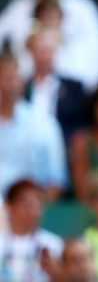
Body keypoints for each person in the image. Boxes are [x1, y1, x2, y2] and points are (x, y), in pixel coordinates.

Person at [0, 51, 68, 200]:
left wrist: (30, 208)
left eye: (13, 76)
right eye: (4, 76)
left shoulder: (44, 123)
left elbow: (56, 182)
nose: (9, 83)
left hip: (29, 211)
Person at [24, 26, 86, 148]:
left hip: (64, 148)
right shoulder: (22, 88)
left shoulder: (73, 88)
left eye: (49, 50)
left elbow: (80, 126)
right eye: (40, 51)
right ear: (31, 53)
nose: (45, 56)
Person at [0, 180, 64, 282]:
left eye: (37, 205)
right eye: (27, 205)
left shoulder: (53, 243)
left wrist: (57, 274)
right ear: (11, 207)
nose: (33, 211)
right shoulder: (1, 242)